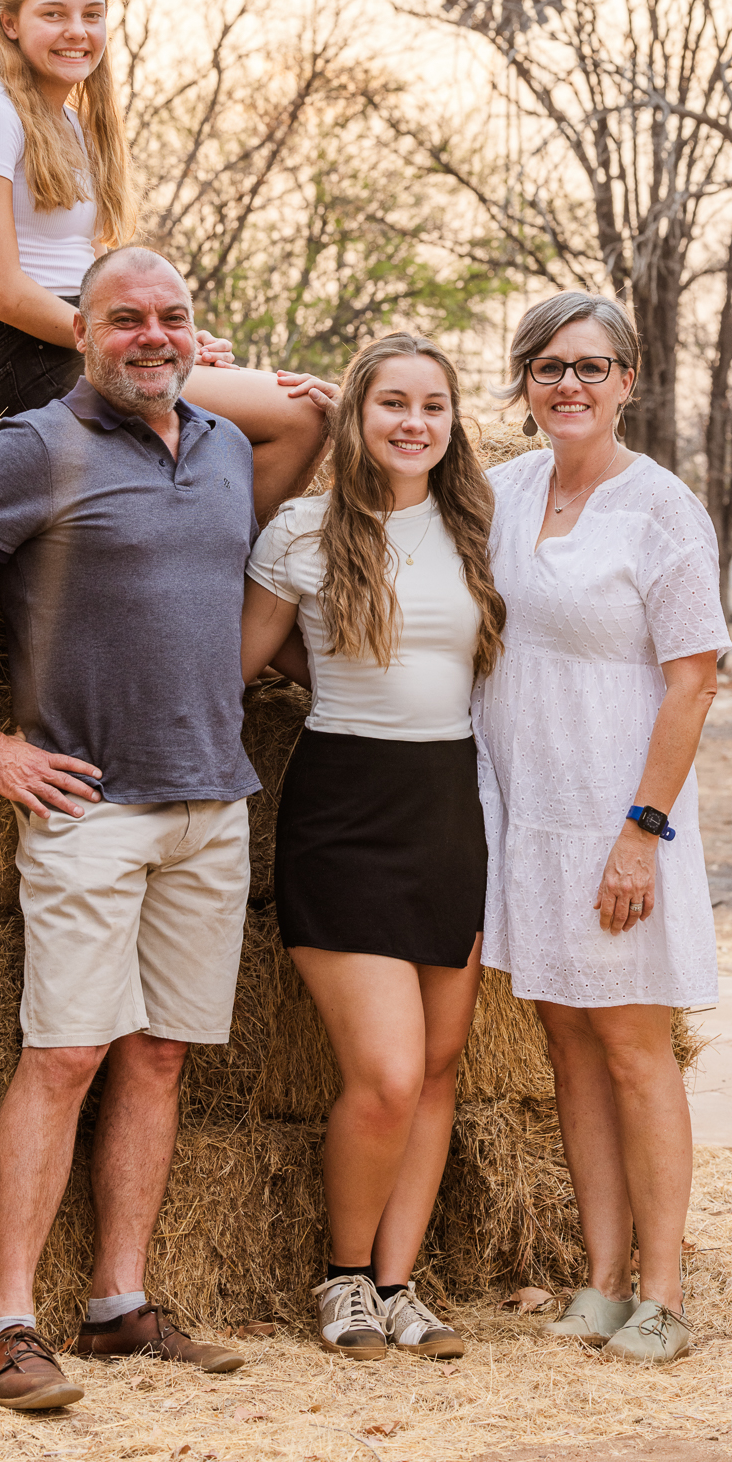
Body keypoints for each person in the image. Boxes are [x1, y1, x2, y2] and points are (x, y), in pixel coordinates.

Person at [0, 249, 333, 1412]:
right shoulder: (39, 446)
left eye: (173, 318)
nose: (151, 336)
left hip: (211, 802)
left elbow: (293, 436)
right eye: (125, 318)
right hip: (90, 810)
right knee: (65, 1055)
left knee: (160, 1055)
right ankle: (6, 1324)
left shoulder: (228, 451)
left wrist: (316, 398)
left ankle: (120, 1303)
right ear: (81, 331)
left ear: (199, 332)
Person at [472, 291, 731, 1365]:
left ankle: (661, 1294)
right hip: (521, 810)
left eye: (591, 366)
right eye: (547, 367)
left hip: (615, 814)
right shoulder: (499, 489)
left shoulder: (660, 509)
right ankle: (600, 1278)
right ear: (523, 383)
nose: (567, 385)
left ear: (628, 380)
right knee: (565, 1045)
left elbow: (694, 682)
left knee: (630, 1048)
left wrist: (641, 832)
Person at [240, 333, 506, 1363]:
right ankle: (343, 1281)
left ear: (452, 422)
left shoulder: (477, 526)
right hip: (344, 806)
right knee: (388, 1073)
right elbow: (233, 667)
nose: (412, 423)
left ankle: (399, 1287)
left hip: (449, 806)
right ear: (354, 417)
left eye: (432, 406)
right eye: (390, 402)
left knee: (438, 1067)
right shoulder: (303, 532)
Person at [0, 0, 330, 471]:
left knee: (309, 409)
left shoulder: (73, 126)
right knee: (302, 416)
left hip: (93, 337)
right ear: (9, 23)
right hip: (35, 356)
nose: (78, 31)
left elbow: (102, 274)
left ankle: (193, 547)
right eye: (54, 14)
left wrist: (170, 336)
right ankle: (217, 555)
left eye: (92, 15)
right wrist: (122, 338)